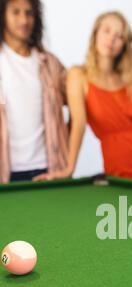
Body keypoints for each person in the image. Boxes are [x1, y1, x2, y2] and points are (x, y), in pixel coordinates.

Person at [36, 11, 132, 182]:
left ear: (124, 44)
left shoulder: (127, 79)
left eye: (119, 36)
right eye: (107, 30)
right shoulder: (78, 75)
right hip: (119, 161)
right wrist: (69, 168)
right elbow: (78, 124)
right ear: (95, 33)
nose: (111, 39)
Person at [0, 0, 68, 183]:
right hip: (6, 173)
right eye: (16, 12)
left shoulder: (49, 64)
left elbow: (82, 104)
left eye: (29, 13)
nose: (24, 20)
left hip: (48, 169)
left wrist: (64, 142)